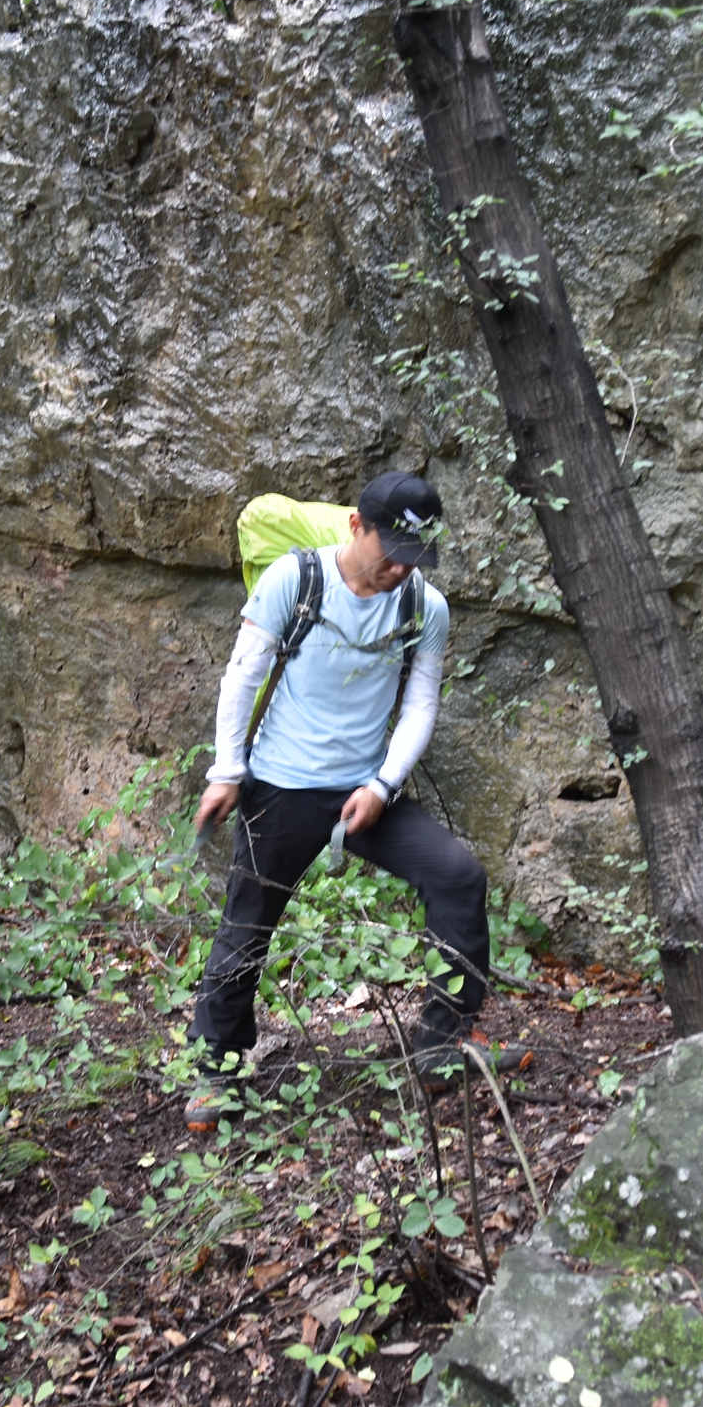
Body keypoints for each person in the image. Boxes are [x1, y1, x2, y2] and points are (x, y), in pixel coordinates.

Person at [185, 471, 527, 1134]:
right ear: (355, 526)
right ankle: (215, 1071)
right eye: (390, 548)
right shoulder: (296, 578)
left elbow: (420, 701)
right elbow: (244, 673)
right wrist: (227, 770)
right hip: (280, 786)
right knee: (247, 924)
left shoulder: (424, 605)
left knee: (459, 876)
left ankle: (440, 1042)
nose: (400, 567)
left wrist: (382, 784)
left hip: (365, 790)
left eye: (415, 555)